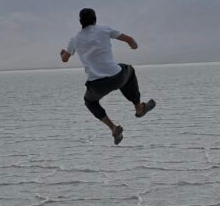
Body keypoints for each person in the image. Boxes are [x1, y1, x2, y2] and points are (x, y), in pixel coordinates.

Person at [60, 7, 155, 144]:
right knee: (129, 70)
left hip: (96, 85)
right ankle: (138, 107)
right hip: (117, 77)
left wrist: (63, 53)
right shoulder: (104, 29)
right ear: (95, 19)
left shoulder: (74, 39)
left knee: (90, 102)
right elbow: (129, 39)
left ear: (80, 21)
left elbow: (64, 59)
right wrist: (133, 45)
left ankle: (113, 128)